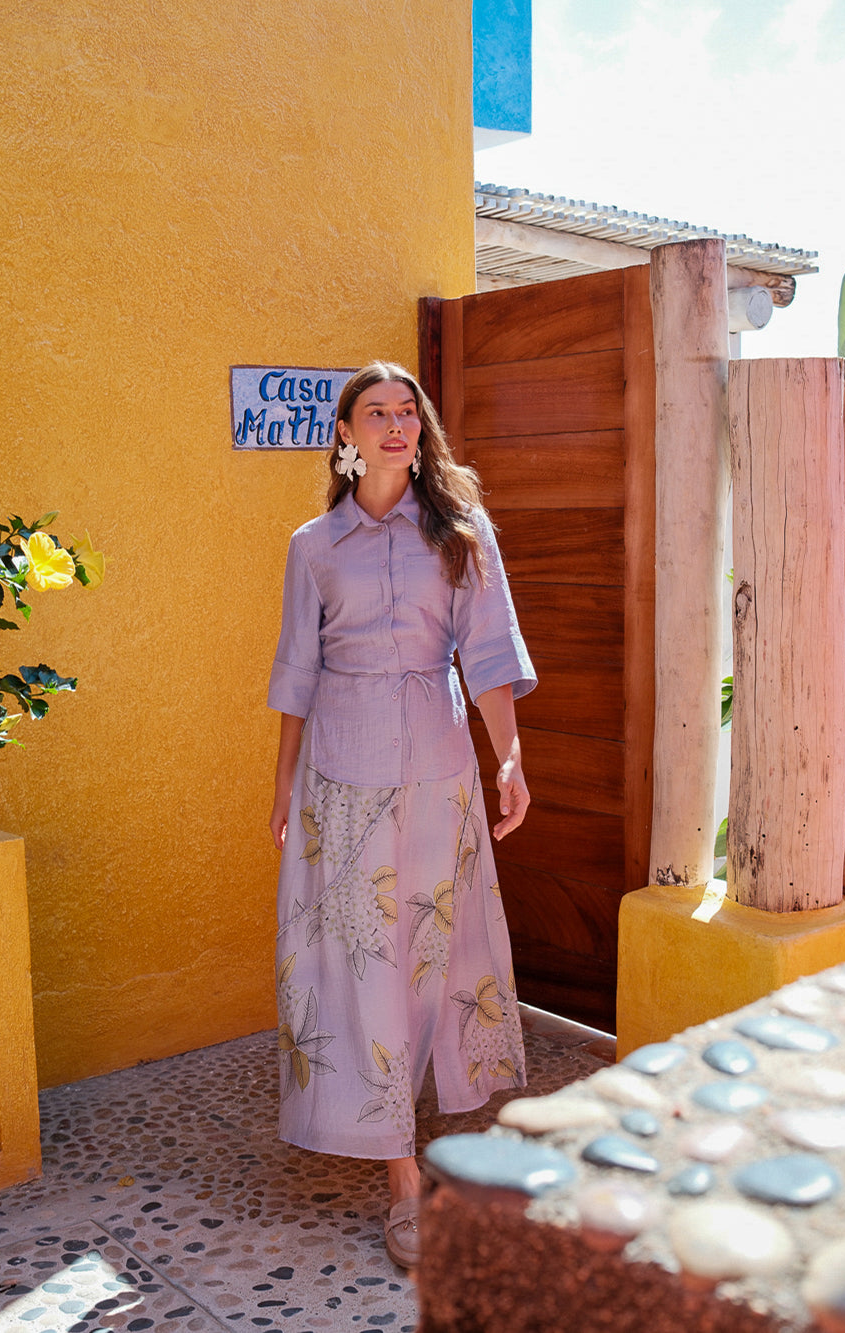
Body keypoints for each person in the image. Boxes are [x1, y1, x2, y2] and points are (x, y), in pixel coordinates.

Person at [267, 361, 536, 1268]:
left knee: (434, 952)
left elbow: (488, 652)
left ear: (421, 432)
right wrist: (281, 784)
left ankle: (423, 1108)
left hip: (440, 771)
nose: (395, 425)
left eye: (408, 413)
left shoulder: (460, 531)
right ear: (345, 433)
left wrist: (510, 756)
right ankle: (400, 1177)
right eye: (376, 412)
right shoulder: (314, 545)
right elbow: (296, 670)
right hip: (341, 776)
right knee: (365, 962)